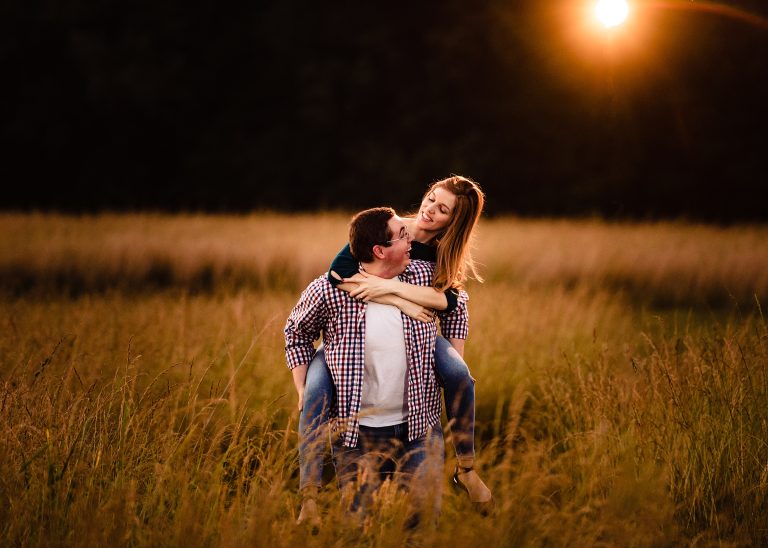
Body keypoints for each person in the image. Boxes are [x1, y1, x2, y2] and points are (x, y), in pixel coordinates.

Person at [296, 176, 492, 526]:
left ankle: (467, 468)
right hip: (350, 346)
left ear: (454, 222)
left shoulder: (442, 256)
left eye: (442, 209)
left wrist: (396, 295)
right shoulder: (391, 227)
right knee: (313, 390)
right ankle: (308, 495)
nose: (429, 210)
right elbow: (339, 273)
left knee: (459, 373)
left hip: (421, 345)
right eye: (431, 199)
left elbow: (449, 302)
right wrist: (395, 296)